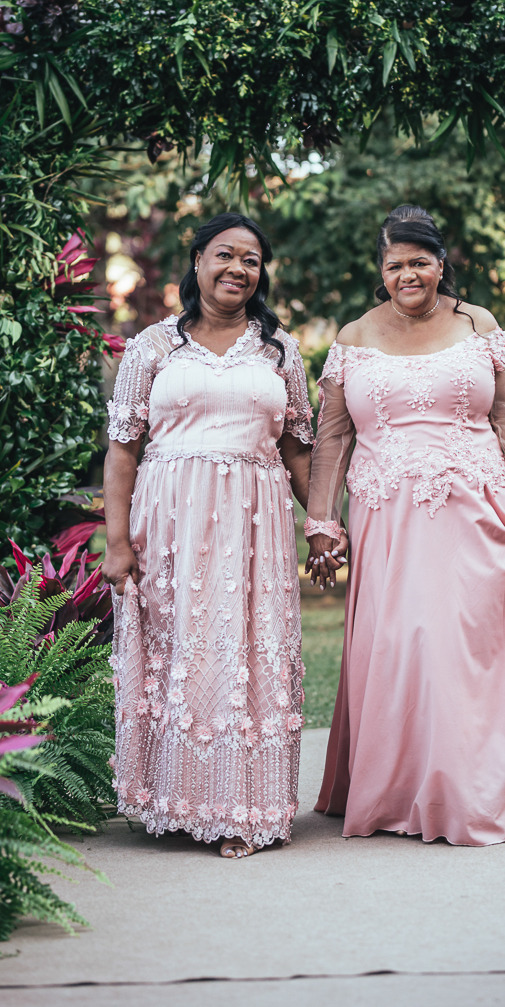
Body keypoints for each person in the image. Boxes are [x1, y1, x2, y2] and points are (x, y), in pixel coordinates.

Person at [305, 204, 505, 847]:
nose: (407, 275)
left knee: (465, 647)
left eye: (419, 262)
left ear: (441, 264)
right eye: (394, 265)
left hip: (473, 505)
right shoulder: (353, 336)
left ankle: (473, 790)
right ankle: (398, 789)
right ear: (380, 271)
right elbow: (332, 438)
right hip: (387, 514)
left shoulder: (478, 324)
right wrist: (321, 521)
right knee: (406, 643)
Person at [102, 213, 315, 858]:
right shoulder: (152, 347)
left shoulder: (280, 350)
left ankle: (242, 810)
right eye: (225, 255)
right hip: (169, 524)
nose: (238, 269)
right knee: (178, 655)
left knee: (245, 653)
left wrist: (328, 524)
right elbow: (122, 449)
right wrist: (117, 542)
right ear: (197, 261)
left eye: (251, 260)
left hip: (255, 528)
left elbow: (299, 448)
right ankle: (173, 802)